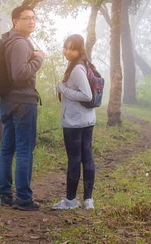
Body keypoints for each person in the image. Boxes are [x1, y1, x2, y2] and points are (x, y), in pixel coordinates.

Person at [0, 5, 45, 211]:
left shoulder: (8, 41)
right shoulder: (20, 44)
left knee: (7, 149)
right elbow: (19, 74)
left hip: (8, 102)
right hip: (23, 102)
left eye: (33, 17)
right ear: (15, 21)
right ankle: (23, 198)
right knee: (24, 150)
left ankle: (5, 195)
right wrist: (38, 59)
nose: (31, 21)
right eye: (26, 18)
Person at [52, 34, 96, 210]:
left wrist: (62, 88)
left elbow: (87, 95)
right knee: (87, 158)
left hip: (74, 122)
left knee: (74, 160)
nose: (67, 52)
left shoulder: (77, 69)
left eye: (72, 48)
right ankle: (88, 200)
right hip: (86, 120)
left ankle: (70, 200)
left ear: (80, 50)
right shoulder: (82, 64)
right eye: (66, 47)